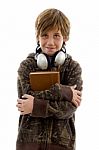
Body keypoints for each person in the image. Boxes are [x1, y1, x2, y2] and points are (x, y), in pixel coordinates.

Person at [16, 8, 83, 150]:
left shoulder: (73, 68)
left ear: (65, 37)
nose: (50, 42)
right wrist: (63, 92)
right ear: (37, 37)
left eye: (56, 35)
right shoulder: (26, 66)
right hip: (29, 143)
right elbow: (26, 101)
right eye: (45, 35)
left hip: (61, 144)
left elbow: (69, 108)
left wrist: (36, 106)